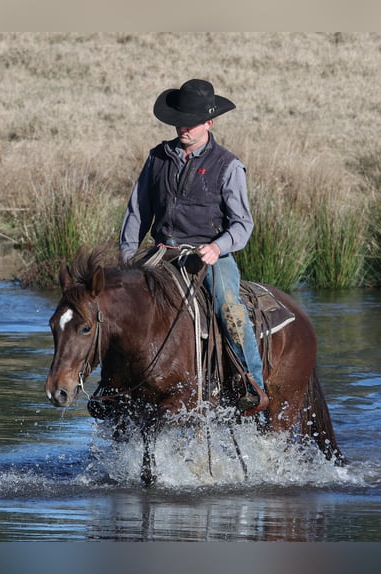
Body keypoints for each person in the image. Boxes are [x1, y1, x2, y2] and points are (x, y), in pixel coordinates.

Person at [118, 78, 267, 414]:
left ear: (209, 122)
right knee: (121, 308)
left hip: (209, 257)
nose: (183, 127)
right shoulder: (158, 158)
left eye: (191, 121)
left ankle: (252, 384)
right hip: (161, 253)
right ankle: (113, 388)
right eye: (179, 121)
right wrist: (127, 259)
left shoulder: (228, 165)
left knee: (230, 310)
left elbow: (243, 224)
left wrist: (218, 247)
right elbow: (137, 212)